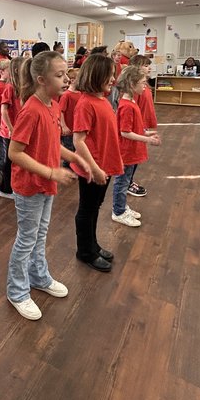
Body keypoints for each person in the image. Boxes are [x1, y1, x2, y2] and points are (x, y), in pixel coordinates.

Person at [6, 51, 91, 320]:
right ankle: (16, 290)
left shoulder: (54, 105)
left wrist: (73, 156)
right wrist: (51, 173)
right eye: (60, 75)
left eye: (67, 73)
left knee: (40, 234)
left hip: (45, 183)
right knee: (26, 239)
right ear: (41, 79)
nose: (67, 79)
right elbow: (15, 152)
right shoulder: (30, 110)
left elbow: (51, 142)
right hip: (30, 185)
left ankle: (38, 277)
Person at [71, 54, 123, 272]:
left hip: (104, 164)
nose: (113, 79)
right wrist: (94, 168)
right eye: (109, 75)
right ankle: (85, 251)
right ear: (96, 75)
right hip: (93, 167)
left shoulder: (102, 99)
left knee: (95, 207)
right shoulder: (85, 104)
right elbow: (78, 140)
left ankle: (93, 245)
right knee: (87, 209)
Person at [112, 66, 160, 227]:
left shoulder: (131, 102)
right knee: (122, 182)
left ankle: (122, 207)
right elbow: (125, 132)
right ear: (132, 84)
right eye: (142, 83)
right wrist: (147, 140)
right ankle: (118, 211)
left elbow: (134, 128)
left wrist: (146, 134)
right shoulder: (126, 105)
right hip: (126, 151)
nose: (145, 86)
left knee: (126, 181)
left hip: (132, 151)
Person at [124, 54, 159, 196]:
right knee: (132, 155)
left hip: (142, 122)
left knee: (137, 155)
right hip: (136, 125)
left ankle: (129, 180)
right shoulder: (135, 88)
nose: (149, 68)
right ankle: (127, 182)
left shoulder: (144, 85)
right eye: (145, 65)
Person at [0, 57, 26, 200]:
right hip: (10, 132)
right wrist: (11, 128)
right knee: (9, 161)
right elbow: (3, 111)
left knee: (16, 160)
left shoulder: (22, 87)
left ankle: (13, 186)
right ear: (17, 70)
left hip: (19, 131)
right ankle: (5, 188)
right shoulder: (9, 87)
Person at [59, 67, 81, 161]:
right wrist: (63, 126)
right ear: (72, 80)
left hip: (76, 128)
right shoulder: (66, 95)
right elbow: (61, 111)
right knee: (69, 153)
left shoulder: (80, 93)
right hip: (69, 130)